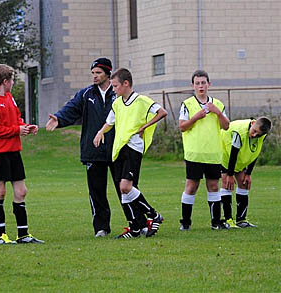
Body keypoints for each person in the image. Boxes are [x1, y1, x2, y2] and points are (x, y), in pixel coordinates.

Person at [46, 58, 147, 238]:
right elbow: (71, 109)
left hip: (118, 149)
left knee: (126, 188)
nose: (95, 76)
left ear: (108, 74)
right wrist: (59, 119)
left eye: (98, 73)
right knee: (96, 192)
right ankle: (101, 228)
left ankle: (139, 224)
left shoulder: (118, 93)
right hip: (93, 151)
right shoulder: (86, 94)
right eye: (93, 73)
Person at [93, 68, 167, 238]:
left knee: (126, 187)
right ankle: (134, 228)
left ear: (126, 84)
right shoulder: (117, 103)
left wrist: (144, 127)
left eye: (116, 86)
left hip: (133, 148)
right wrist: (100, 132)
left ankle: (154, 215)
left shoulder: (141, 100)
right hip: (119, 148)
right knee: (123, 190)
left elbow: (162, 112)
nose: (113, 90)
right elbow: (109, 122)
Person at [0, 64, 43, 245]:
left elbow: (16, 118)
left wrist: (25, 126)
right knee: (0, 191)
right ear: (5, 81)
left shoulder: (9, 98)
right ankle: (1, 235)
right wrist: (17, 129)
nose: (13, 83)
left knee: (21, 191)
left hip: (14, 151)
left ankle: (23, 235)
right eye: (12, 80)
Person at [178, 69, 230, 231]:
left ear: (209, 84)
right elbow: (182, 127)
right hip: (194, 152)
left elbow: (226, 126)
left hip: (213, 153)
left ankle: (216, 222)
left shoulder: (218, 104)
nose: (201, 86)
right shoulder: (187, 104)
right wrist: (196, 117)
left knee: (214, 186)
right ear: (192, 85)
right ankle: (185, 222)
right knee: (191, 186)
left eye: (203, 83)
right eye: (197, 83)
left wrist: (217, 112)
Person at [220, 117, 272, 228]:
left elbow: (255, 152)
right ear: (252, 123)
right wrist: (229, 175)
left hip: (239, 159)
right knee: (227, 185)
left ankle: (241, 220)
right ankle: (228, 220)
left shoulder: (262, 135)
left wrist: (248, 173)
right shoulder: (239, 131)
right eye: (254, 131)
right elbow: (233, 153)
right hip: (224, 153)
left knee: (244, 184)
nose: (254, 135)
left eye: (258, 134)